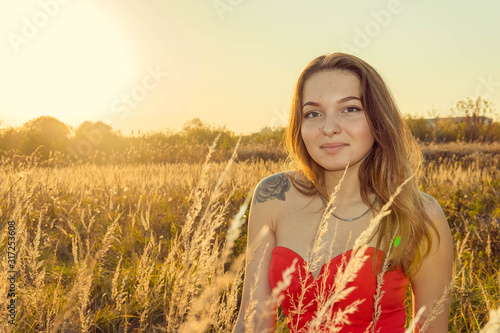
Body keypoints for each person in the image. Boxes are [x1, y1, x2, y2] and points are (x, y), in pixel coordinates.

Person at [232, 53, 454, 333]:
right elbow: (252, 321)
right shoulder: (274, 196)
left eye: (349, 109)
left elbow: (433, 329)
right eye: (313, 113)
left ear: (378, 118)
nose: (329, 128)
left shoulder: (419, 214)